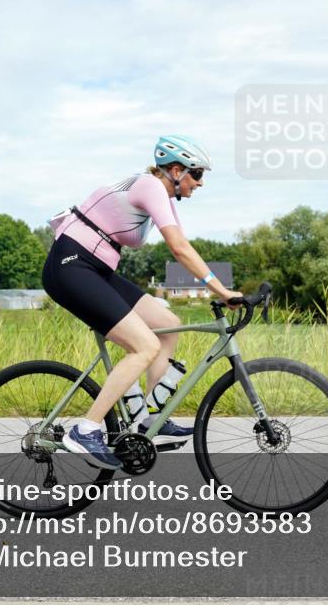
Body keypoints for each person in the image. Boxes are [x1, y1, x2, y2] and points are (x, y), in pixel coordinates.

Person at [41, 135, 242, 469]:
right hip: (71, 267)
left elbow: (183, 244)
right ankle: (86, 429)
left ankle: (149, 419)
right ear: (175, 170)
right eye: (196, 174)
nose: (200, 182)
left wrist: (219, 288)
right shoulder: (150, 186)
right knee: (145, 346)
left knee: (169, 324)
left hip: (96, 269)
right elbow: (179, 249)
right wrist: (222, 290)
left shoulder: (162, 196)